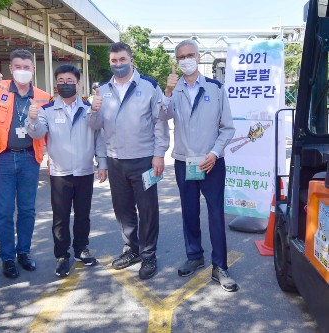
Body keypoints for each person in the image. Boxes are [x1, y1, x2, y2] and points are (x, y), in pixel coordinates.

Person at [88, 42, 169, 280]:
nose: (118, 64)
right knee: (123, 210)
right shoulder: (102, 91)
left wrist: (159, 154)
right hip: (115, 161)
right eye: (114, 61)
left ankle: (149, 254)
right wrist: (93, 110)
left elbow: (160, 123)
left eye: (122, 60)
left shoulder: (149, 86)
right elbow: (96, 128)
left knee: (148, 209)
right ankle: (131, 249)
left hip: (144, 159)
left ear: (131, 60)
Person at [161, 39, 238, 292]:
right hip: (184, 162)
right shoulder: (175, 89)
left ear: (199, 56)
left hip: (211, 162)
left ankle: (220, 266)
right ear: (177, 60)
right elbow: (161, 116)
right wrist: (167, 92)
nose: (186, 60)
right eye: (181, 56)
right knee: (189, 212)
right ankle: (195, 255)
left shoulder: (216, 88)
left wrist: (215, 153)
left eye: (190, 55)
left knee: (216, 213)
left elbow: (227, 127)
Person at [0, 49, 51, 278]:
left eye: (27, 67)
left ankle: (23, 252)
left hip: (29, 158)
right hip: (3, 158)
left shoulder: (43, 97)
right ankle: (7, 257)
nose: (23, 71)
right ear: (11, 69)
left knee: (27, 210)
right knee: (4, 212)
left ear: (33, 70)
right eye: (18, 67)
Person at [25, 64, 108, 277]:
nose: (66, 85)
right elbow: (37, 133)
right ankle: (62, 255)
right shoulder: (47, 110)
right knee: (60, 217)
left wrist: (102, 163)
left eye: (70, 81)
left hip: (84, 171)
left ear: (78, 83)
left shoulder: (89, 107)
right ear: (56, 85)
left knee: (83, 215)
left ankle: (81, 249)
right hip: (60, 173)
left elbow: (99, 134)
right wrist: (32, 119)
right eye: (61, 81)